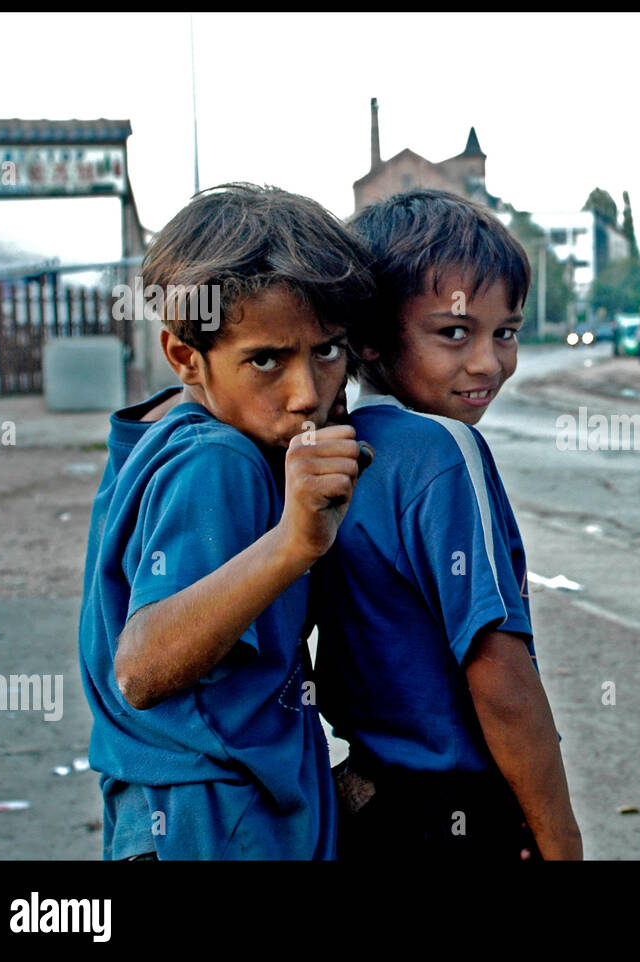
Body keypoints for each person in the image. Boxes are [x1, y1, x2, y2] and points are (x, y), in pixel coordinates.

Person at [78, 183, 378, 859]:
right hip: (217, 821)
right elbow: (142, 668)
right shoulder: (219, 462)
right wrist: (292, 544)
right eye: (266, 360)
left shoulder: (163, 432)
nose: (307, 395)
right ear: (186, 357)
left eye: (327, 351)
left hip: (169, 815)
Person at [317, 189, 582, 861]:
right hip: (453, 812)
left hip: (370, 801)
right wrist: (560, 839)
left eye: (507, 332)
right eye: (454, 333)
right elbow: (499, 672)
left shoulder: (338, 443)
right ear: (370, 336)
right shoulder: (444, 451)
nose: (489, 362)